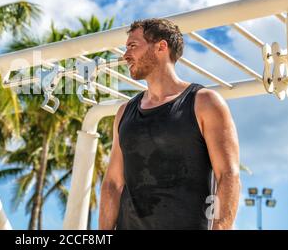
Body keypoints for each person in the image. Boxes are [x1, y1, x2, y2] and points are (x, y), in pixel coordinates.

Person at [98, 18, 240, 230]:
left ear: (161, 47)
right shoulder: (124, 112)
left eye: (133, 46)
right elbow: (113, 183)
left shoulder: (205, 102)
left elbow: (228, 175)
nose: (125, 55)